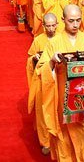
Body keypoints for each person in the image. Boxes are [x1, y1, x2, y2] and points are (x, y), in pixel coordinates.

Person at [36, 4, 84, 161]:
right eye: (71, 21)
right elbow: (41, 69)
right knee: (65, 138)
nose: (76, 24)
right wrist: (51, 62)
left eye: (78, 20)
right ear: (63, 20)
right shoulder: (54, 42)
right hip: (64, 100)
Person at [26, 13, 58, 155]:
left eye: (53, 25)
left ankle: (58, 139)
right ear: (43, 26)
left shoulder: (61, 39)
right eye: (48, 26)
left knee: (56, 112)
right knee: (43, 112)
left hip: (57, 80)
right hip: (42, 81)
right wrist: (35, 58)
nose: (51, 29)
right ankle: (45, 141)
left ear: (57, 24)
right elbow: (29, 59)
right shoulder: (38, 40)